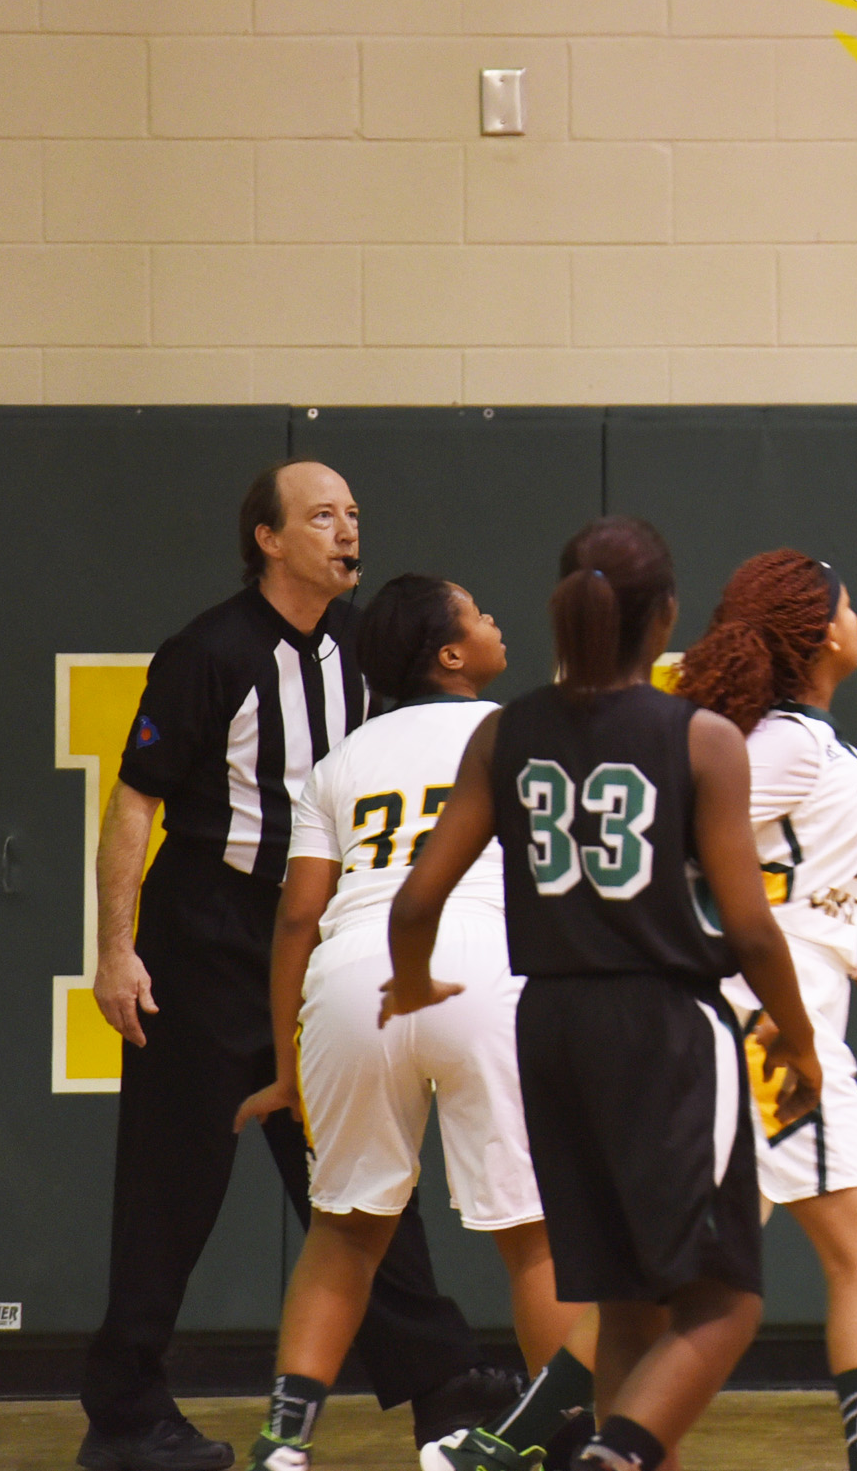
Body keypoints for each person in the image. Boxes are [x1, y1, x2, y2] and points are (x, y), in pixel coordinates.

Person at [79, 461, 501, 1471]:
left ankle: (444, 1389)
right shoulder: (208, 652)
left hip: (322, 939)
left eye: (355, 514)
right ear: (268, 540)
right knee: (169, 1186)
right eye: (321, 515)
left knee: (358, 1174)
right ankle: (125, 1411)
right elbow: (136, 798)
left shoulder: (370, 653)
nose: (347, 531)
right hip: (206, 941)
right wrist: (115, 948)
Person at [380, 517, 824, 1471]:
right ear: (663, 618)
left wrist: (412, 983)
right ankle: (613, 1454)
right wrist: (799, 1036)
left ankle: (617, 1448)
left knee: (626, 1300)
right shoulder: (700, 738)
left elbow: (416, 898)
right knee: (725, 1300)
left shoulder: (505, 733)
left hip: (549, 1025)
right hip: (660, 1026)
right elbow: (749, 929)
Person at [233, 574, 594, 1471]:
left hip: (355, 974)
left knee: (345, 1230)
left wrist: (286, 1067)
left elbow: (293, 920)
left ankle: (284, 1442)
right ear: (450, 652)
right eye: (479, 610)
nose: (494, 618)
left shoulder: (340, 761)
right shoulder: (523, 729)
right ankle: (567, 1441)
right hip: (481, 967)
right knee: (533, 1235)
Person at [674, 549, 857, 1471]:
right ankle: (512, 1444)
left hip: (792, 1019)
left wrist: (842, 924)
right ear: (821, 634)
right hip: (769, 1032)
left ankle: (510, 1444)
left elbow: (766, 869)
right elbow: (684, 846)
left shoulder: (801, 736)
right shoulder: (788, 742)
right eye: (847, 601)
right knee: (843, 1256)